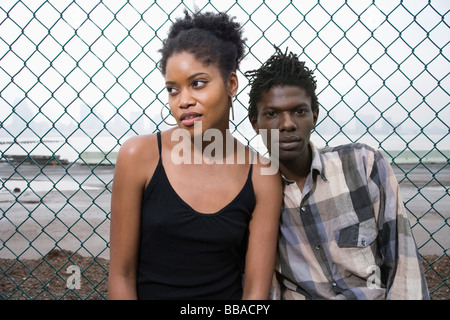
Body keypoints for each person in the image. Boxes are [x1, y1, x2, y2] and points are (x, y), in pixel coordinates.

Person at [108, 11, 282, 300]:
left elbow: (254, 292)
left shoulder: (262, 175)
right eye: (172, 90)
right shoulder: (138, 156)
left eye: (198, 83)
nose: (184, 100)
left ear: (231, 84)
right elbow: (121, 275)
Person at [245, 48, 430, 300]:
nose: (287, 124)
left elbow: (403, 261)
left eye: (299, 111)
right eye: (272, 114)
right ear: (255, 123)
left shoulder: (363, 165)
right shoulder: (253, 193)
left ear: (315, 115)